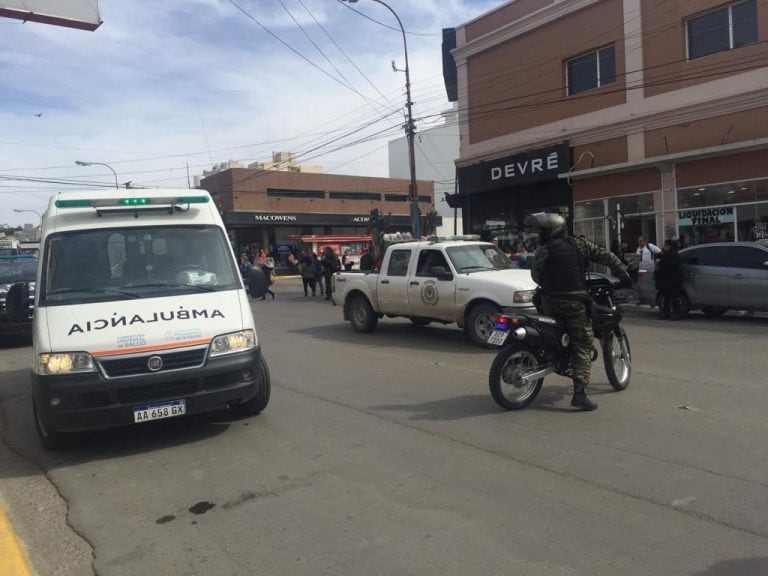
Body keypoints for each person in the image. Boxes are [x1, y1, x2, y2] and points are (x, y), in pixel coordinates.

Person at [526, 212, 632, 412]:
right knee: (583, 344)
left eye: (544, 230)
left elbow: (536, 276)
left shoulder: (543, 250)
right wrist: (624, 275)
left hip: (549, 301)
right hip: (574, 303)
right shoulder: (580, 245)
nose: (541, 234)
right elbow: (607, 256)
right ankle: (580, 394)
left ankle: (556, 355)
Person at [654, 239, 684, 320]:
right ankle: (665, 313)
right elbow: (659, 258)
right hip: (665, 281)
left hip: (673, 280)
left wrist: (660, 262)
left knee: (674, 298)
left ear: (670, 246)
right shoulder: (664, 254)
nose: (664, 246)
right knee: (666, 298)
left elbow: (668, 265)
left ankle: (676, 313)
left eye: (665, 245)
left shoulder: (674, 255)